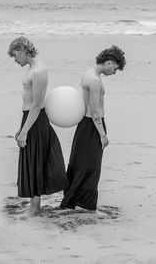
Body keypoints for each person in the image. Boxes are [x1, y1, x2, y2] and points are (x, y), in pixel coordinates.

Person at [60, 45, 126, 212]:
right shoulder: (95, 81)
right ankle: (87, 206)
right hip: (92, 127)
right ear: (109, 63)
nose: (114, 73)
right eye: (115, 69)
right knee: (91, 167)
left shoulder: (88, 73)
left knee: (80, 164)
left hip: (85, 126)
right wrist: (103, 135)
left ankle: (72, 200)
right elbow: (95, 111)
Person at [8, 36, 69, 216]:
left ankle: (35, 208)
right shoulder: (32, 68)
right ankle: (34, 205)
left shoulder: (39, 71)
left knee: (35, 161)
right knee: (32, 160)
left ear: (22, 50)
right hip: (30, 118)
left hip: (36, 120)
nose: (14, 59)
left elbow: (37, 104)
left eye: (15, 55)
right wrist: (22, 127)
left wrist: (25, 131)